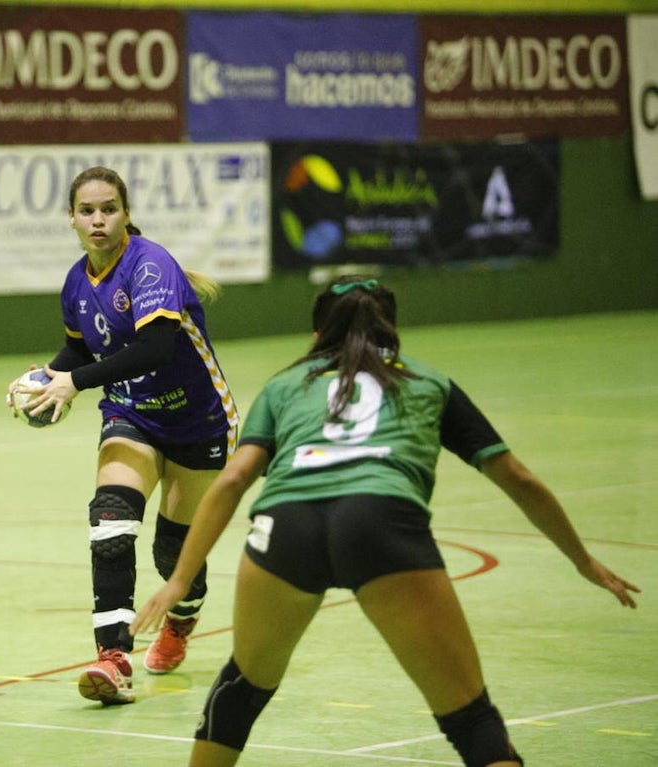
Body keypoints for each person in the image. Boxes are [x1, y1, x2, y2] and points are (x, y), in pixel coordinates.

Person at [130, 276, 640, 766]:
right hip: (381, 522)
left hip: (287, 526)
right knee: (470, 717)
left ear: (316, 334)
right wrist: (582, 560)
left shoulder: (287, 385)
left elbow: (232, 480)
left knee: (242, 687)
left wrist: (179, 580)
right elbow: (519, 479)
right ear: (392, 331)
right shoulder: (427, 383)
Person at [7, 166, 239, 706]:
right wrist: (43, 378)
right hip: (131, 415)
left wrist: (74, 383)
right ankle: (112, 659)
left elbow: (156, 348)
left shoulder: (151, 264)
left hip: (197, 421)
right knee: (109, 526)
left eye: (108, 208)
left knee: (171, 553)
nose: (98, 219)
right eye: (87, 210)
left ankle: (180, 623)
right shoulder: (75, 281)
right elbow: (83, 352)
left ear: (125, 213)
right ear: (72, 218)